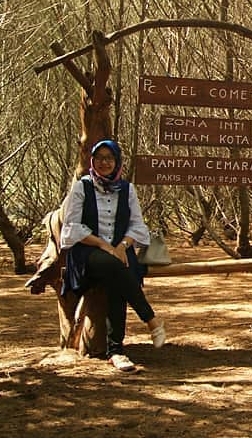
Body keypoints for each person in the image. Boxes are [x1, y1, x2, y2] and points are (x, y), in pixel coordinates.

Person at [59, 139, 166, 372]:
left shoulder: (127, 189)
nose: (104, 163)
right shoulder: (82, 187)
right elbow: (71, 227)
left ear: (117, 162)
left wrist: (122, 245)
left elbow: (138, 226)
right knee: (115, 266)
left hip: (119, 253)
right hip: (87, 253)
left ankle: (116, 352)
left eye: (109, 158)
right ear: (92, 161)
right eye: (100, 158)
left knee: (117, 271)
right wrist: (103, 245)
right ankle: (151, 321)